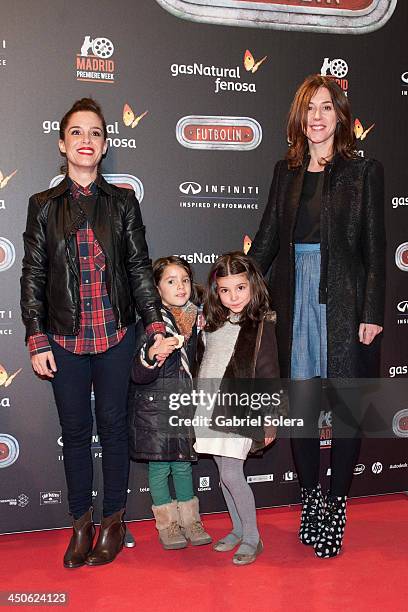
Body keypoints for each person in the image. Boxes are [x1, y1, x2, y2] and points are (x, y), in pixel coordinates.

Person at [20, 98, 165, 568]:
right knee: (76, 432)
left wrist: (154, 322)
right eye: (77, 133)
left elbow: (140, 266)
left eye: (96, 133)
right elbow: (34, 274)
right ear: (63, 144)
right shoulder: (42, 206)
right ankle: (80, 524)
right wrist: (35, 336)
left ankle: (113, 522)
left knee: (115, 430)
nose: (87, 140)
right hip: (63, 339)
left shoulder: (122, 201)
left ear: (105, 146)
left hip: (116, 336)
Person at [249, 74, 385, 558]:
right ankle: (311, 502)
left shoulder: (363, 172)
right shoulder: (284, 172)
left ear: (340, 115)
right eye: (309, 107)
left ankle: (336, 505)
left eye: (326, 107)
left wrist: (371, 312)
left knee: (346, 412)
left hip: (345, 301)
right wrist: (227, 289)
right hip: (295, 299)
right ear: (299, 117)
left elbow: (374, 249)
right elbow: (265, 242)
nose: (317, 117)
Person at [194, 252, 283, 566]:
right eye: (225, 290)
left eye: (240, 288)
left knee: (232, 473)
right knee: (223, 475)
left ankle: (252, 538)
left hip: (239, 410)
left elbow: (270, 375)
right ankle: (236, 529)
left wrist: (271, 419)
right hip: (207, 408)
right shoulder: (212, 321)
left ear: (253, 286)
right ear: (216, 291)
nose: (233, 296)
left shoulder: (261, 324)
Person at [128, 256, 212, 550]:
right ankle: (167, 524)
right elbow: (136, 374)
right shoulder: (150, 326)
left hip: (185, 407)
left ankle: (191, 521)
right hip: (155, 411)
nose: (180, 287)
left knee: (184, 466)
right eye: (171, 281)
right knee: (160, 468)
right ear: (156, 288)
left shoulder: (198, 321)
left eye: (185, 280)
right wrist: (153, 354)